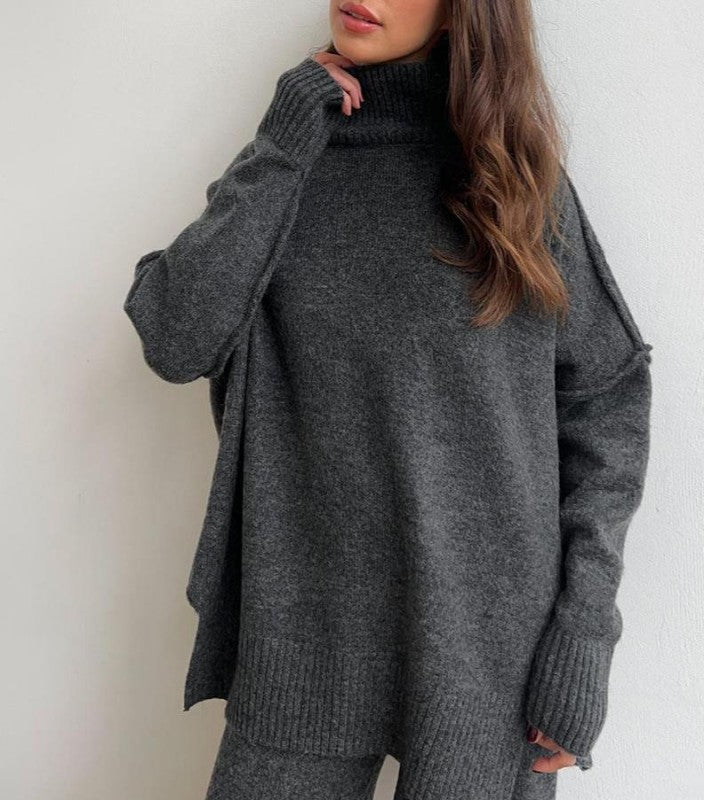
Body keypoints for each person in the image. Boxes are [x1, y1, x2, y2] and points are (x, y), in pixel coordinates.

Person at [123, 1, 654, 798]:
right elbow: (174, 337)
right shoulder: (289, 162)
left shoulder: (515, 185)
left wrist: (583, 633)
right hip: (304, 637)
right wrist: (282, 144)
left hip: (482, 655)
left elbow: (608, 397)